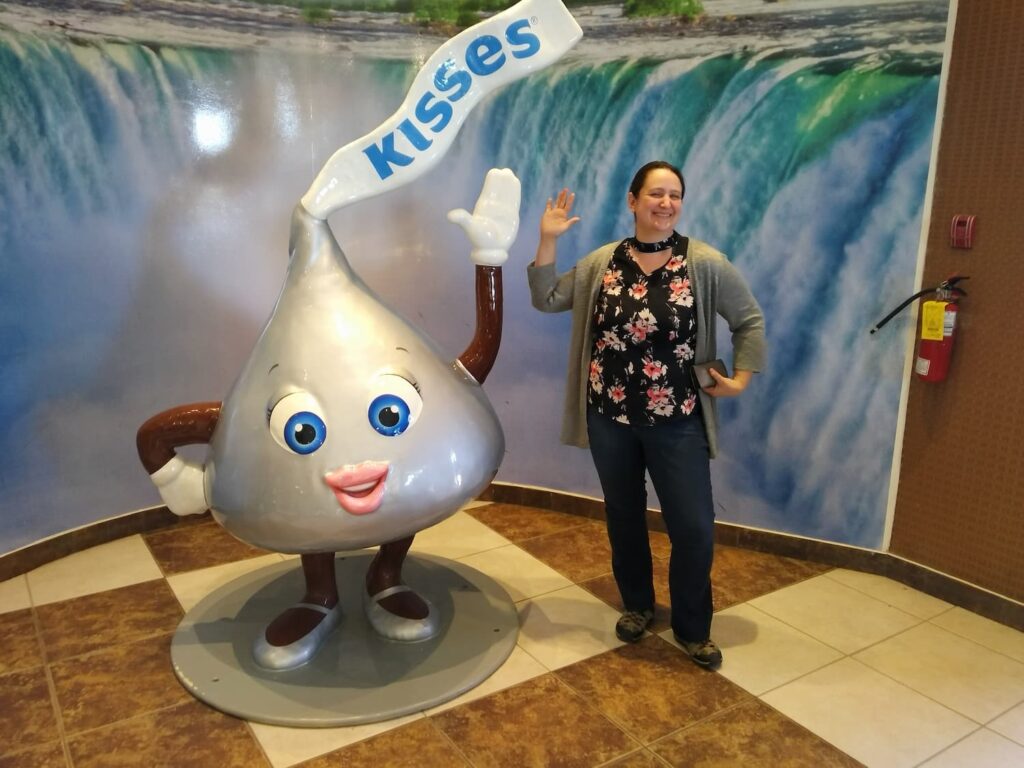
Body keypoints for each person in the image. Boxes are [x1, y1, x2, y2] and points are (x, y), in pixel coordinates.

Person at [527, 160, 765, 669]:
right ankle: (636, 606)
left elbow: (748, 320)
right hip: (608, 416)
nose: (666, 203)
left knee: (694, 527)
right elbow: (546, 298)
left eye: (675, 194)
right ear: (633, 201)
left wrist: (741, 379)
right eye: (656, 193)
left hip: (678, 421)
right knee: (625, 518)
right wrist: (547, 240)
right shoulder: (601, 264)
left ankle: (692, 627)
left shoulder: (702, 262)